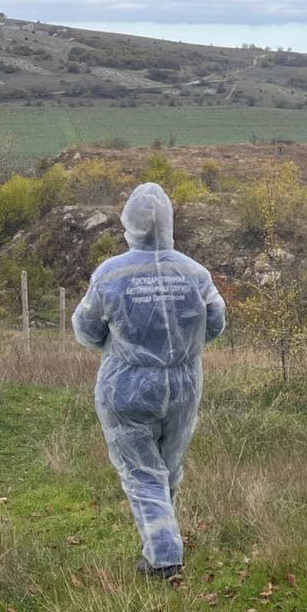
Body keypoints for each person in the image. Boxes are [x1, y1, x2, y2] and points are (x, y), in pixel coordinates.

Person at [72, 182, 226, 579]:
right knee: (168, 467)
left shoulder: (111, 273)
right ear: (169, 222)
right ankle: (164, 538)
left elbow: (87, 328)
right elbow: (216, 321)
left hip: (126, 387)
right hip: (183, 386)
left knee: (142, 473)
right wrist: (181, 349)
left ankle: (163, 557)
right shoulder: (194, 272)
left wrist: (124, 344)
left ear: (129, 223)